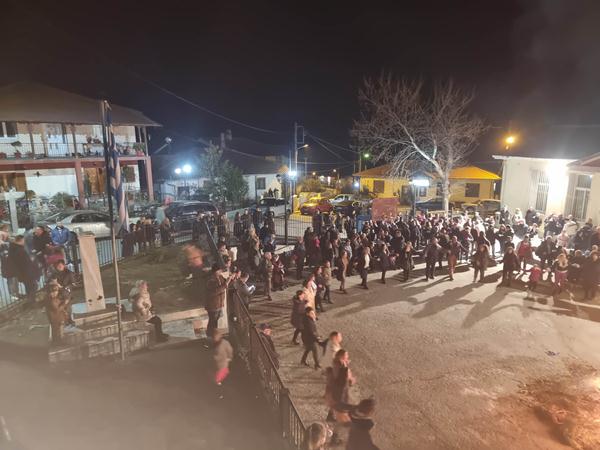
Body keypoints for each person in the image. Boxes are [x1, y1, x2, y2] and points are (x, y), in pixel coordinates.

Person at [6, 235, 40, 305]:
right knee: (33, 286)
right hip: (27, 273)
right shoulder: (20, 250)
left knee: (29, 287)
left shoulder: (13, 249)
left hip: (21, 273)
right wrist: (31, 261)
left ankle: (30, 301)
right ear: (21, 240)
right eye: (23, 240)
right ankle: (32, 302)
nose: (24, 242)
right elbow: (25, 263)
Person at [205, 264, 232, 340]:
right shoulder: (210, 280)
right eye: (219, 270)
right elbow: (215, 291)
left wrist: (230, 279)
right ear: (215, 271)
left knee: (216, 320)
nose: (221, 271)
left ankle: (214, 335)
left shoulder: (220, 277)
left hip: (219, 304)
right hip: (213, 305)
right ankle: (210, 335)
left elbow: (226, 283)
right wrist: (225, 284)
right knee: (212, 321)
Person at [45, 280, 71, 345]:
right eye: (54, 292)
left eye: (56, 291)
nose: (56, 293)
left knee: (59, 329)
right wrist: (65, 303)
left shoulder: (53, 297)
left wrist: (61, 288)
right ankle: (58, 342)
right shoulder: (51, 299)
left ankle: (59, 341)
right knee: (57, 330)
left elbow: (66, 294)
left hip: (58, 317)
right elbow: (57, 309)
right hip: (55, 317)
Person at [212, 329, 233, 398]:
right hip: (218, 365)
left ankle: (221, 394)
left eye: (216, 336)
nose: (215, 338)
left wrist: (229, 358)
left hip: (223, 365)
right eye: (214, 336)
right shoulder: (216, 343)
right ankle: (222, 393)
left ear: (219, 336)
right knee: (220, 380)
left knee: (218, 380)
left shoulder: (224, 343)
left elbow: (230, 351)